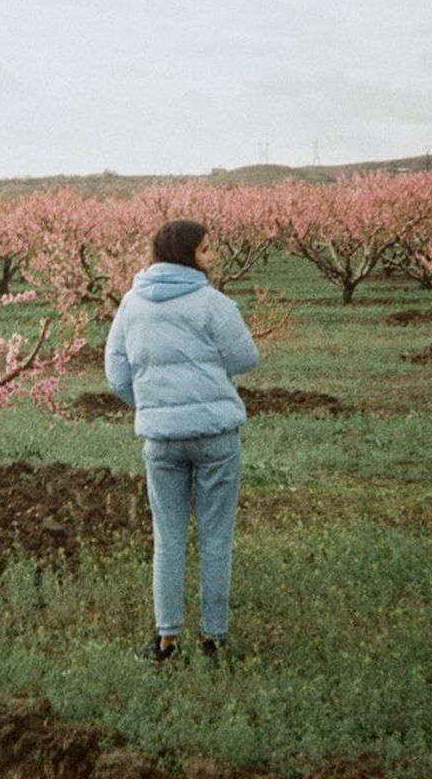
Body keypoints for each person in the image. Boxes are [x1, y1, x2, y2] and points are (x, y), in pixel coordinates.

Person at [105, 218, 260, 663]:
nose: (212, 258)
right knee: (215, 539)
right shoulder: (214, 304)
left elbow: (117, 374)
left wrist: (150, 404)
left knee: (167, 538)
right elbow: (245, 358)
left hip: (161, 441)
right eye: (206, 250)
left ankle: (167, 640)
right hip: (215, 437)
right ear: (186, 255)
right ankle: (213, 638)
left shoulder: (131, 305)